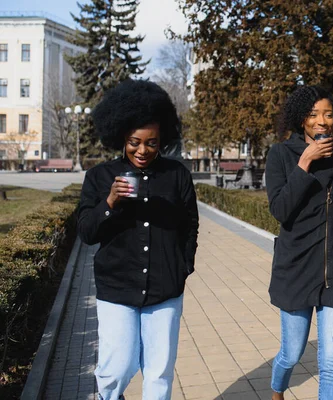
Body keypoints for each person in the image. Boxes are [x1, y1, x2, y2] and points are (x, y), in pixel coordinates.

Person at [78, 79, 199, 400]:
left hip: (165, 290)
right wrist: (110, 203)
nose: (142, 150)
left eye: (152, 143)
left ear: (163, 141)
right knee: (116, 368)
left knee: (159, 372)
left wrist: (183, 266)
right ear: (121, 137)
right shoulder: (100, 177)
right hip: (116, 288)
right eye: (134, 142)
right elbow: (87, 233)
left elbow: (191, 225)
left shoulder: (177, 175)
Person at [265, 85, 333, 400]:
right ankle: (277, 389)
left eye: (328, 114)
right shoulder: (281, 155)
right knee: (292, 353)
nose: (322, 121)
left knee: (331, 361)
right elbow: (280, 211)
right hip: (296, 270)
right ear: (301, 120)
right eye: (313, 115)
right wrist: (305, 164)